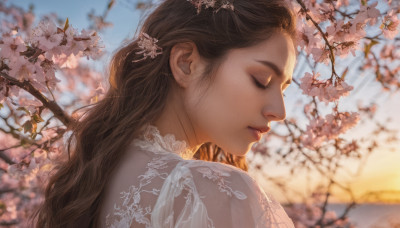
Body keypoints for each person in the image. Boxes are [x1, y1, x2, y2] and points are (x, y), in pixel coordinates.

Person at [34, 0, 297, 227]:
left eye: (283, 90)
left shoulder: (94, 176)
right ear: (186, 63)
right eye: (261, 80)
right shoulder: (221, 191)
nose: (280, 112)